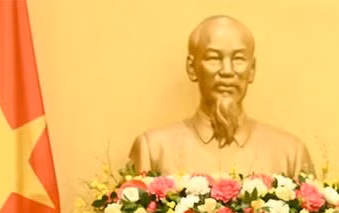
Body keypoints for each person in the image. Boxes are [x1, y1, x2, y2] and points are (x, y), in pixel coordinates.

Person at [128, 15, 314, 177]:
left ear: (252, 70)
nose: (227, 71)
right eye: (214, 58)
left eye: (238, 59)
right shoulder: (153, 150)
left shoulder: (290, 154)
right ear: (192, 68)